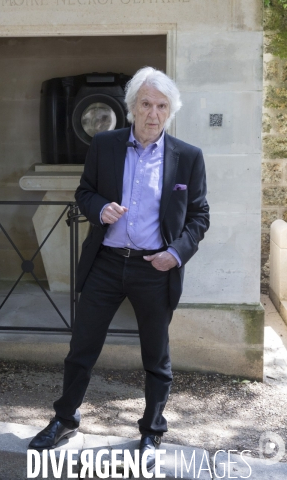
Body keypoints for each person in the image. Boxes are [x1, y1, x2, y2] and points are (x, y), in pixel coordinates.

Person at [28, 67, 210, 472]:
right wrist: (99, 209)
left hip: (155, 267)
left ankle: (151, 429)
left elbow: (199, 215)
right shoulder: (105, 145)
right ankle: (64, 418)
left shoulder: (188, 157)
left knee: (156, 357)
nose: (153, 113)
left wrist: (176, 254)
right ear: (132, 108)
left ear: (170, 111)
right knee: (82, 350)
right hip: (106, 264)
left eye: (162, 106)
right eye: (146, 104)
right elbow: (84, 191)